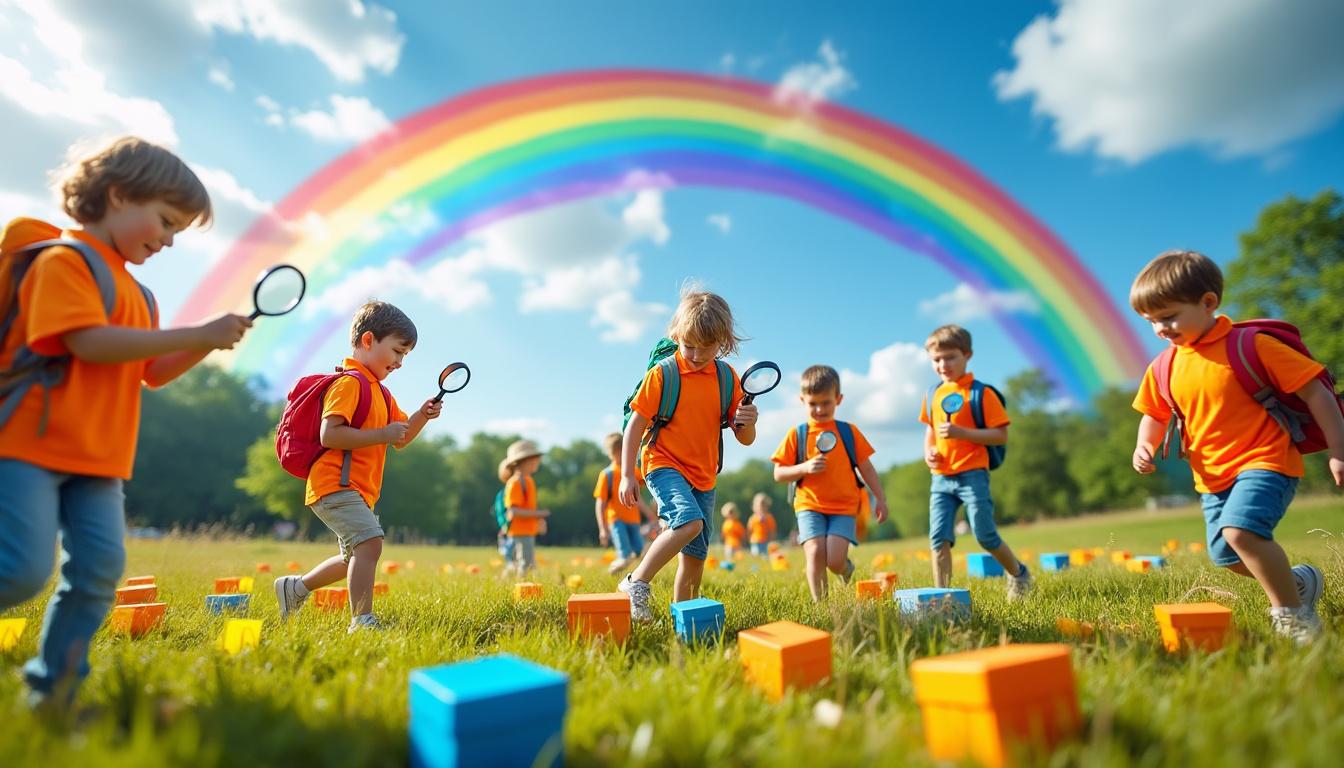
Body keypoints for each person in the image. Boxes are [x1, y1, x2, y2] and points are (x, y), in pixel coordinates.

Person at [0, 136, 252, 708]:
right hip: (31, 446)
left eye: (176, 233)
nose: (167, 241)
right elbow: (87, 342)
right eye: (164, 222)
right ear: (117, 195)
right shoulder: (64, 262)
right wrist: (197, 332)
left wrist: (208, 343)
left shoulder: (141, 294)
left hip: (99, 458)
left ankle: (54, 691)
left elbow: (151, 371)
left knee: (98, 570)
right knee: (19, 570)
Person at [1130, 250, 1343, 643]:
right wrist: (1144, 445)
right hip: (1211, 477)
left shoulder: (1250, 345)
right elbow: (1155, 414)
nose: (1160, 328)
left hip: (1266, 461)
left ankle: (1293, 617)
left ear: (1208, 303)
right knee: (1227, 554)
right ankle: (1297, 584)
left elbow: (1316, 391)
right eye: (1151, 321)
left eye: (1169, 316)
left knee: (1241, 533)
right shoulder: (1163, 367)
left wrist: (1338, 449)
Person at [273, 301, 441, 631]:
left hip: (357, 489)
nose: (400, 362)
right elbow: (330, 434)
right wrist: (382, 433)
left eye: (405, 355)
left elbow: (401, 438)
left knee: (353, 556)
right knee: (370, 543)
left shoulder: (383, 394)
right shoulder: (349, 384)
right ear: (368, 341)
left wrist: (422, 415)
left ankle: (294, 588)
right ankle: (362, 621)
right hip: (334, 483)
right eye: (396, 351)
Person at [616, 289, 757, 621]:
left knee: (694, 559)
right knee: (688, 521)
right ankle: (635, 583)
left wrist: (747, 421)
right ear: (676, 335)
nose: (695, 354)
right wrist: (626, 473)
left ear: (722, 343)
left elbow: (746, 439)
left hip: (704, 475)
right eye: (688, 345)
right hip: (662, 462)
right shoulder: (663, 374)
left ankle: (685, 622)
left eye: (705, 348)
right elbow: (634, 426)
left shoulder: (725, 378)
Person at [920, 325, 1031, 599]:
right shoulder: (933, 394)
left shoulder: (981, 394)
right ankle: (941, 597)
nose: (943, 364)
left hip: (973, 474)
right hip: (941, 477)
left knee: (985, 535)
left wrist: (962, 433)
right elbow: (930, 431)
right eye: (936, 359)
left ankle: (1019, 574)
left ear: (967, 355)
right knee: (938, 538)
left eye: (950, 357)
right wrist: (929, 453)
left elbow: (1000, 436)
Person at [772, 365, 889, 600]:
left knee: (834, 560)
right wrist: (805, 467)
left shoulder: (848, 432)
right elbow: (779, 473)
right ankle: (822, 606)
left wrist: (880, 498)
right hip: (809, 506)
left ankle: (845, 568)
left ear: (839, 399)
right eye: (813, 403)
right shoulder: (798, 434)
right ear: (802, 400)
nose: (819, 409)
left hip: (844, 507)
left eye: (826, 403)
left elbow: (866, 467)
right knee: (815, 553)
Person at [594, 432, 651, 574]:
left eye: (623, 451)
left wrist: (651, 515)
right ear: (610, 454)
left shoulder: (634, 472)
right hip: (616, 519)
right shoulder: (607, 474)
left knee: (639, 551)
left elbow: (640, 498)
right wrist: (603, 528)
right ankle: (613, 572)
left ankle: (621, 570)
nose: (621, 456)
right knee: (624, 553)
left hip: (634, 520)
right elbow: (600, 503)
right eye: (617, 453)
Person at [499, 439, 550, 576]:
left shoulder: (528, 481)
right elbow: (513, 511)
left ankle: (512, 583)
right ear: (524, 461)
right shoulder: (515, 483)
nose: (538, 461)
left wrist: (539, 520)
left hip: (527, 530)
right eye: (535, 458)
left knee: (524, 561)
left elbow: (529, 506)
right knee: (526, 564)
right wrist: (539, 514)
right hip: (520, 531)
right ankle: (523, 591)